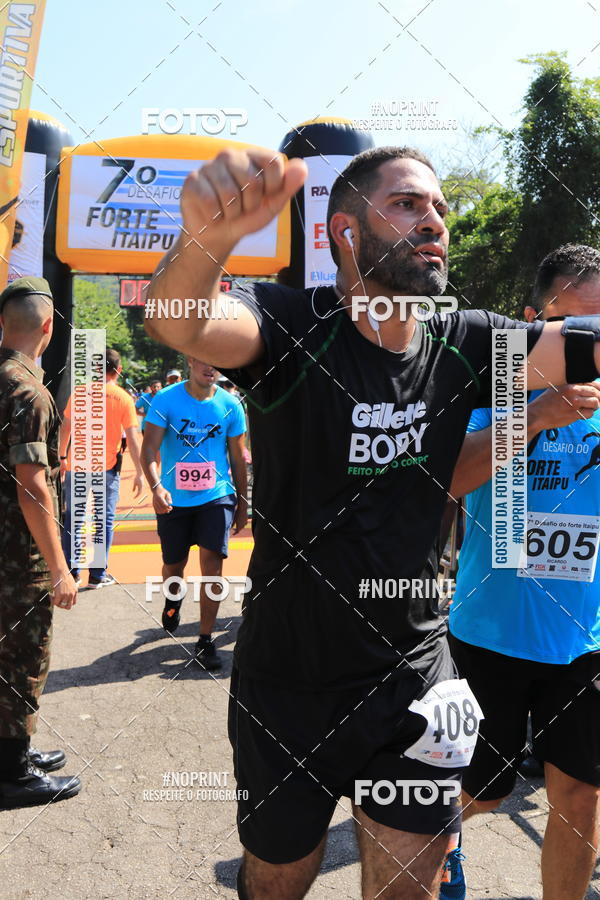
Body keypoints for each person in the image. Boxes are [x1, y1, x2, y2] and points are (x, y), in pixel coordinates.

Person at [144, 145, 600, 900]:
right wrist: (206, 237)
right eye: (409, 204)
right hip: (288, 681)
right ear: (344, 233)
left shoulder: (467, 339)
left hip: (414, 680)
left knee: (409, 885)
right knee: (278, 877)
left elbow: (579, 344)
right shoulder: (291, 325)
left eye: (441, 209)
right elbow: (181, 323)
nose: (435, 222)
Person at [445, 244, 600, 900]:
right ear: (538, 322)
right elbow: (447, 479)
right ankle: (426, 834)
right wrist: (536, 415)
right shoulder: (492, 385)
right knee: (486, 787)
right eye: (581, 329)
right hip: (489, 633)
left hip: (582, 640)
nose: (594, 347)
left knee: (579, 792)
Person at [0, 276, 81, 809]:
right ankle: (12, 774)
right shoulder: (28, 390)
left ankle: (14, 755)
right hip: (16, 555)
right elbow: (33, 486)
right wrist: (59, 568)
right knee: (23, 658)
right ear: (49, 326)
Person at [141, 358, 248, 669]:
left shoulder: (231, 404)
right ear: (190, 359)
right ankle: (173, 597)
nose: (211, 367)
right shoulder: (165, 400)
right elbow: (148, 450)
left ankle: (205, 639)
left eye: (218, 361)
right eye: (204, 360)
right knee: (173, 565)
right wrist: (157, 486)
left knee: (212, 566)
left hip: (217, 496)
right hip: (174, 499)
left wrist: (242, 503)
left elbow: (238, 459)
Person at [60, 348, 143, 588]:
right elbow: (133, 437)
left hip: (78, 465)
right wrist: (139, 471)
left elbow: (67, 426)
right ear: (119, 370)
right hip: (106, 468)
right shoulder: (124, 398)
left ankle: (71, 572)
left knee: (73, 518)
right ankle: (97, 575)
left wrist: (62, 455)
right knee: (103, 519)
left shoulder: (79, 393)